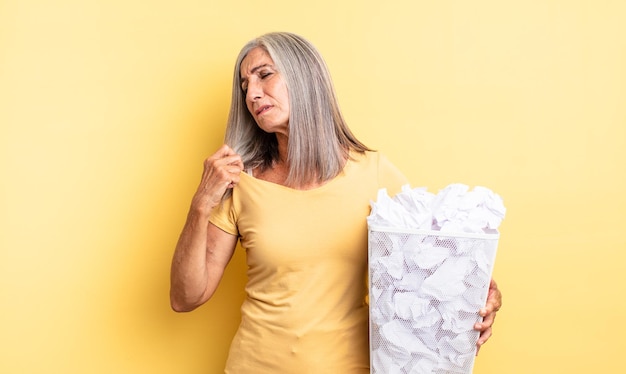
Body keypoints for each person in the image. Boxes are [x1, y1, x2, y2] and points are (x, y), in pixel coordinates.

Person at [170, 32, 502, 373]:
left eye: (265, 75)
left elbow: (435, 268)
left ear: (304, 77)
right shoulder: (241, 182)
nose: (252, 94)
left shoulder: (374, 174)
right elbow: (185, 298)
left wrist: (479, 300)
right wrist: (201, 204)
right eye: (245, 86)